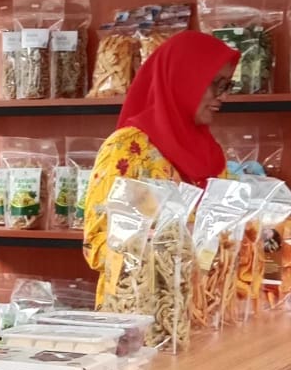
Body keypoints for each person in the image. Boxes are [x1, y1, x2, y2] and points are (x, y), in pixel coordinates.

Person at [82, 30, 239, 288]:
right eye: (216, 84)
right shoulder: (127, 148)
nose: (223, 96)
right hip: (139, 305)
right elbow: (96, 245)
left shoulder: (212, 152)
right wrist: (166, 249)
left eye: (227, 85)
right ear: (185, 80)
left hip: (204, 305)